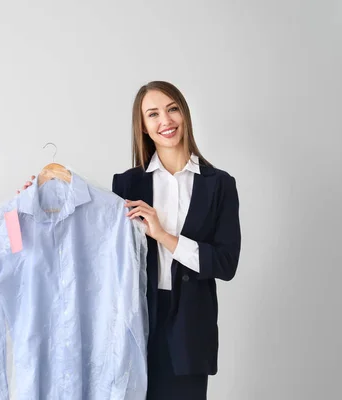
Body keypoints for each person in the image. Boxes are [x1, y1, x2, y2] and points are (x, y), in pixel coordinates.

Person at [17, 80, 241, 400]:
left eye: (172, 109)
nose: (165, 120)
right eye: (153, 114)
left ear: (185, 115)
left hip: (191, 330)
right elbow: (91, 243)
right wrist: (34, 204)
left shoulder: (219, 185)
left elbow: (226, 262)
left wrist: (163, 235)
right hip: (133, 323)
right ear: (144, 127)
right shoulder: (128, 183)